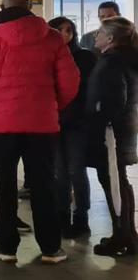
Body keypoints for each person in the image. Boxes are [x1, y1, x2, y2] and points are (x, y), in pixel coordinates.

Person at [0, 0, 79, 265]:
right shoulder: (52, 37)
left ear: (3, 7)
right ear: (28, 6)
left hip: (3, 126)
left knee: (4, 186)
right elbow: (70, 81)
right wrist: (51, 105)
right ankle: (51, 247)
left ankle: (6, 247)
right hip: (42, 125)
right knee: (44, 185)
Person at [86, 18, 138, 257]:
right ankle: (128, 234)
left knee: (114, 184)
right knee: (120, 182)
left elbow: (114, 100)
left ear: (110, 38)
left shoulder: (112, 63)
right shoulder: (127, 59)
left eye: (100, 32)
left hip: (111, 134)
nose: (95, 36)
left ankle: (121, 238)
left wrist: (99, 121)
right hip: (124, 129)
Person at [49, 17, 97, 241]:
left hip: (77, 123)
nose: (65, 34)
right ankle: (61, 216)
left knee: (76, 170)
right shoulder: (46, 55)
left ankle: (81, 216)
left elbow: (89, 90)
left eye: (69, 30)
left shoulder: (85, 57)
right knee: (60, 171)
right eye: (59, 30)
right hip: (54, 121)